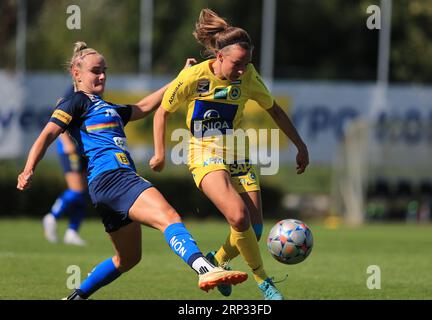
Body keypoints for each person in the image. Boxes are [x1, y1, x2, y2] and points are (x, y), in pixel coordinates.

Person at [17, 41, 248, 300]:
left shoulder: (108, 108)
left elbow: (145, 107)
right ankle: (205, 268)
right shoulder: (76, 101)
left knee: (127, 259)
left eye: (104, 70)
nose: (102, 75)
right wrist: (28, 169)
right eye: (95, 70)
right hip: (114, 176)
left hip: (103, 187)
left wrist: (181, 78)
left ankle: (75, 298)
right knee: (169, 217)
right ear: (76, 73)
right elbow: (48, 134)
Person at [150, 9, 309, 300]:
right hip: (202, 151)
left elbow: (273, 109)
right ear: (219, 56)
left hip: (236, 151)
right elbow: (162, 112)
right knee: (238, 216)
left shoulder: (248, 76)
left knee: (255, 228)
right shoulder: (193, 76)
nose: (241, 71)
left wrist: (300, 145)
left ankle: (217, 261)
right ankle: (263, 280)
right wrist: (160, 153)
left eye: (246, 64)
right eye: (237, 64)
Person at [43, 86, 88, 246]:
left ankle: (72, 232)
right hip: (70, 150)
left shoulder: (92, 93)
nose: (100, 76)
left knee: (83, 194)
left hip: (83, 149)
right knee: (77, 191)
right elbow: (57, 118)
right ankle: (52, 216)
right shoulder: (72, 92)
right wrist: (66, 142)